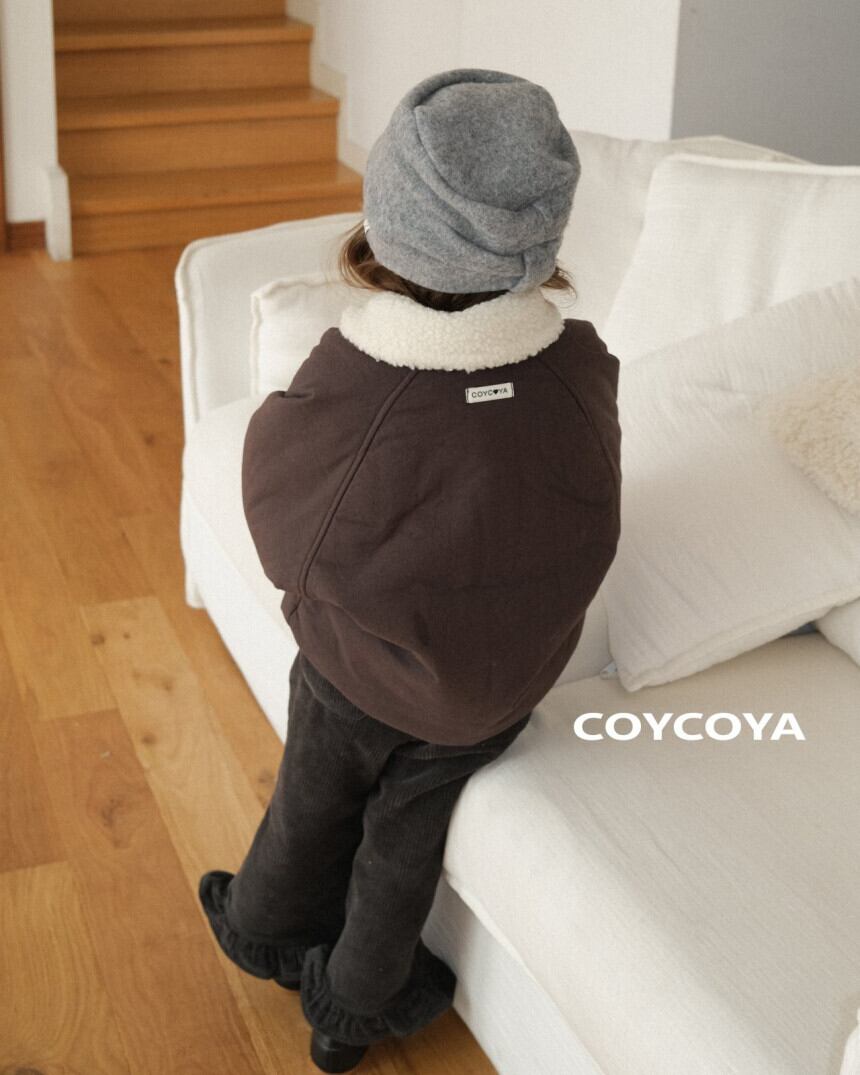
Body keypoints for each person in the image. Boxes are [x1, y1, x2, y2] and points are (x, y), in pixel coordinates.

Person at [198, 67, 622, 1073]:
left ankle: (266, 926)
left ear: (386, 228)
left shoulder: (356, 380)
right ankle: (348, 1017)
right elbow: (593, 519)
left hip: (354, 677)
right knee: (404, 844)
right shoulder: (579, 366)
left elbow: (283, 525)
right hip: (492, 693)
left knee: (312, 799)